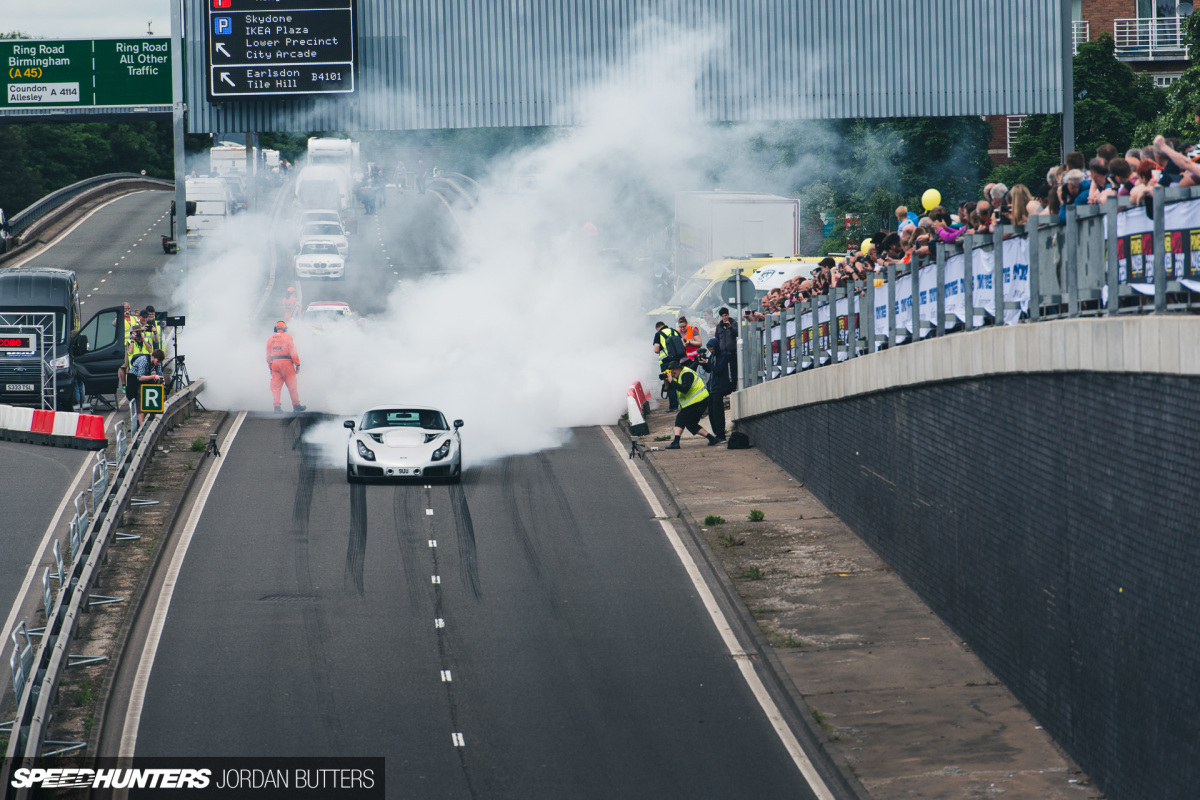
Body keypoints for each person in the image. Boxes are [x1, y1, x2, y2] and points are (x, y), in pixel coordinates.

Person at [660, 359, 720, 449]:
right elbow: (666, 390)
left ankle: (676, 442)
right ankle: (712, 439)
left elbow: (685, 389)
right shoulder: (677, 376)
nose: (673, 372)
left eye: (674, 370)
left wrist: (672, 381)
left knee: (680, 418)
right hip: (695, 402)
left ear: (679, 368)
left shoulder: (686, 373)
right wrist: (666, 381)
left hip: (699, 401)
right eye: (671, 370)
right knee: (691, 424)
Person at [697, 337, 733, 441]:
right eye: (710, 349)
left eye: (712, 349)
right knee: (712, 413)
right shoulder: (712, 356)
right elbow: (709, 370)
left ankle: (721, 435)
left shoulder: (722, 355)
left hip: (719, 387)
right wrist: (704, 364)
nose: (711, 351)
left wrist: (708, 363)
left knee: (718, 413)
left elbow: (718, 369)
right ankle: (716, 433)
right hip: (712, 387)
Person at [266, 321, 305, 413]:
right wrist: (297, 364)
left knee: (275, 387)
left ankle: (277, 407)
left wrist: (270, 367)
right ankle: (296, 405)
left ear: (276, 328)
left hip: (275, 363)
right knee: (292, 385)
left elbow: (268, 355)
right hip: (287, 363)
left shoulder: (270, 339)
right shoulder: (288, 337)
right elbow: (292, 351)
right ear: (285, 329)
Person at [652, 321, 686, 410]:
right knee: (679, 381)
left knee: (670, 382)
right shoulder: (674, 331)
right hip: (677, 360)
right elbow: (683, 344)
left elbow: (656, 350)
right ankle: (683, 403)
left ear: (657, 328)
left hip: (666, 362)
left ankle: (673, 406)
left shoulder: (658, 334)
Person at [127, 348, 165, 427]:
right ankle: (141, 426)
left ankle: (151, 419)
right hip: (134, 379)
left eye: (160, 362)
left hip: (145, 376)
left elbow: (160, 374)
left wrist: (162, 381)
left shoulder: (158, 363)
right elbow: (140, 378)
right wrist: (154, 376)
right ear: (153, 357)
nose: (158, 364)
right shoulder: (143, 361)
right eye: (157, 361)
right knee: (140, 398)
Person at [715, 307, 738, 389]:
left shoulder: (734, 323)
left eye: (725, 315)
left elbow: (737, 333)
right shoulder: (719, 326)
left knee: (733, 370)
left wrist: (730, 327)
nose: (724, 317)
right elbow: (717, 338)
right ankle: (725, 387)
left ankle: (734, 387)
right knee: (724, 371)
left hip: (732, 351)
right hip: (723, 353)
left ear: (728, 315)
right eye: (722, 316)